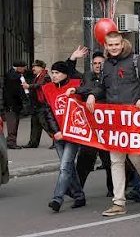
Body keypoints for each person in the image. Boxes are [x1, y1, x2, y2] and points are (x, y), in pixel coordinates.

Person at [84, 31, 140, 217]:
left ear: (122, 43)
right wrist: (93, 94)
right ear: (106, 46)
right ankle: (118, 202)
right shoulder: (106, 65)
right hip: (114, 120)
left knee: (135, 157)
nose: (114, 48)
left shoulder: (136, 61)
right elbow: (103, 87)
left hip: (133, 118)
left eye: (116, 44)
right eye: (110, 45)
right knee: (116, 160)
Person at [43, 61, 86, 212]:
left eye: (57, 73)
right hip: (58, 135)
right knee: (68, 167)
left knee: (65, 166)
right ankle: (79, 195)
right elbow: (48, 113)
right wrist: (55, 131)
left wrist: (73, 59)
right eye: (52, 73)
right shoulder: (47, 89)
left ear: (66, 74)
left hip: (73, 133)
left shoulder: (76, 85)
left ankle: (57, 198)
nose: (54, 76)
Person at [73, 52, 113, 197]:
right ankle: (77, 191)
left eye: (100, 63)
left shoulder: (110, 77)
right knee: (84, 161)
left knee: (109, 160)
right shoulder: (87, 76)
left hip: (106, 127)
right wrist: (73, 58)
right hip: (89, 127)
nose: (97, 66)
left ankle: (112, 189)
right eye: (95, 63)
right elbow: (71, 75)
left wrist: (92, 93)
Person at [22, 60, 51, 148]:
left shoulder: (45, 76)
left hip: (42, 104)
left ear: (41, 68)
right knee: (35, 123)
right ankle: (33, 142)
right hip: (36, 104)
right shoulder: (38, 76)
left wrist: (29, 86)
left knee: (45, 123)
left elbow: (40, 85)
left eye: (35, 66)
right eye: (33, 66)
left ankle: (57, 141)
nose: (33, 68)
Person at [3, 60, 29, 149]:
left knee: (14, 123)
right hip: (12, 104)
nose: (25, 70)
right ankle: (11, 142)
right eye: (24, 68)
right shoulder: (14, 76)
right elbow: (18, 91)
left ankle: (11, 140)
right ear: (19, 67)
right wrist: (25, 98)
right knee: (12, 124)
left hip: (12, 104)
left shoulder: (12, 73)